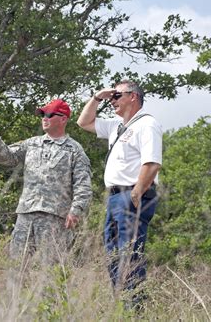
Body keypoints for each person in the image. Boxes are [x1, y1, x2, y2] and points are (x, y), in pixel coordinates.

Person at [77, 80, 162, 306]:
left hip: (132, 195)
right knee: (114, 255)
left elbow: (152, 164)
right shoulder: (117, 126)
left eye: (117, 95)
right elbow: (83, 122)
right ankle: (123, 305)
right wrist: (97, 97)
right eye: (112, 96)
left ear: (133, 96)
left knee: (129, 254)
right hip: (115, 197)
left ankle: (136, 308)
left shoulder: (147, 124)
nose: (112, 100)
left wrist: (136, 194)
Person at [0, 99, 92, 263]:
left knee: (50, 271)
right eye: (43, 114)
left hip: (55, 218)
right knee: (17, 266)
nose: (44, 118)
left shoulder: (74, 150)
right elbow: (7, 158)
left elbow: (83, 185)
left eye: (49, 114)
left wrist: (76, 211)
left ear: (63, 119)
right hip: (26, 215)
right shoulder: (32, 143)